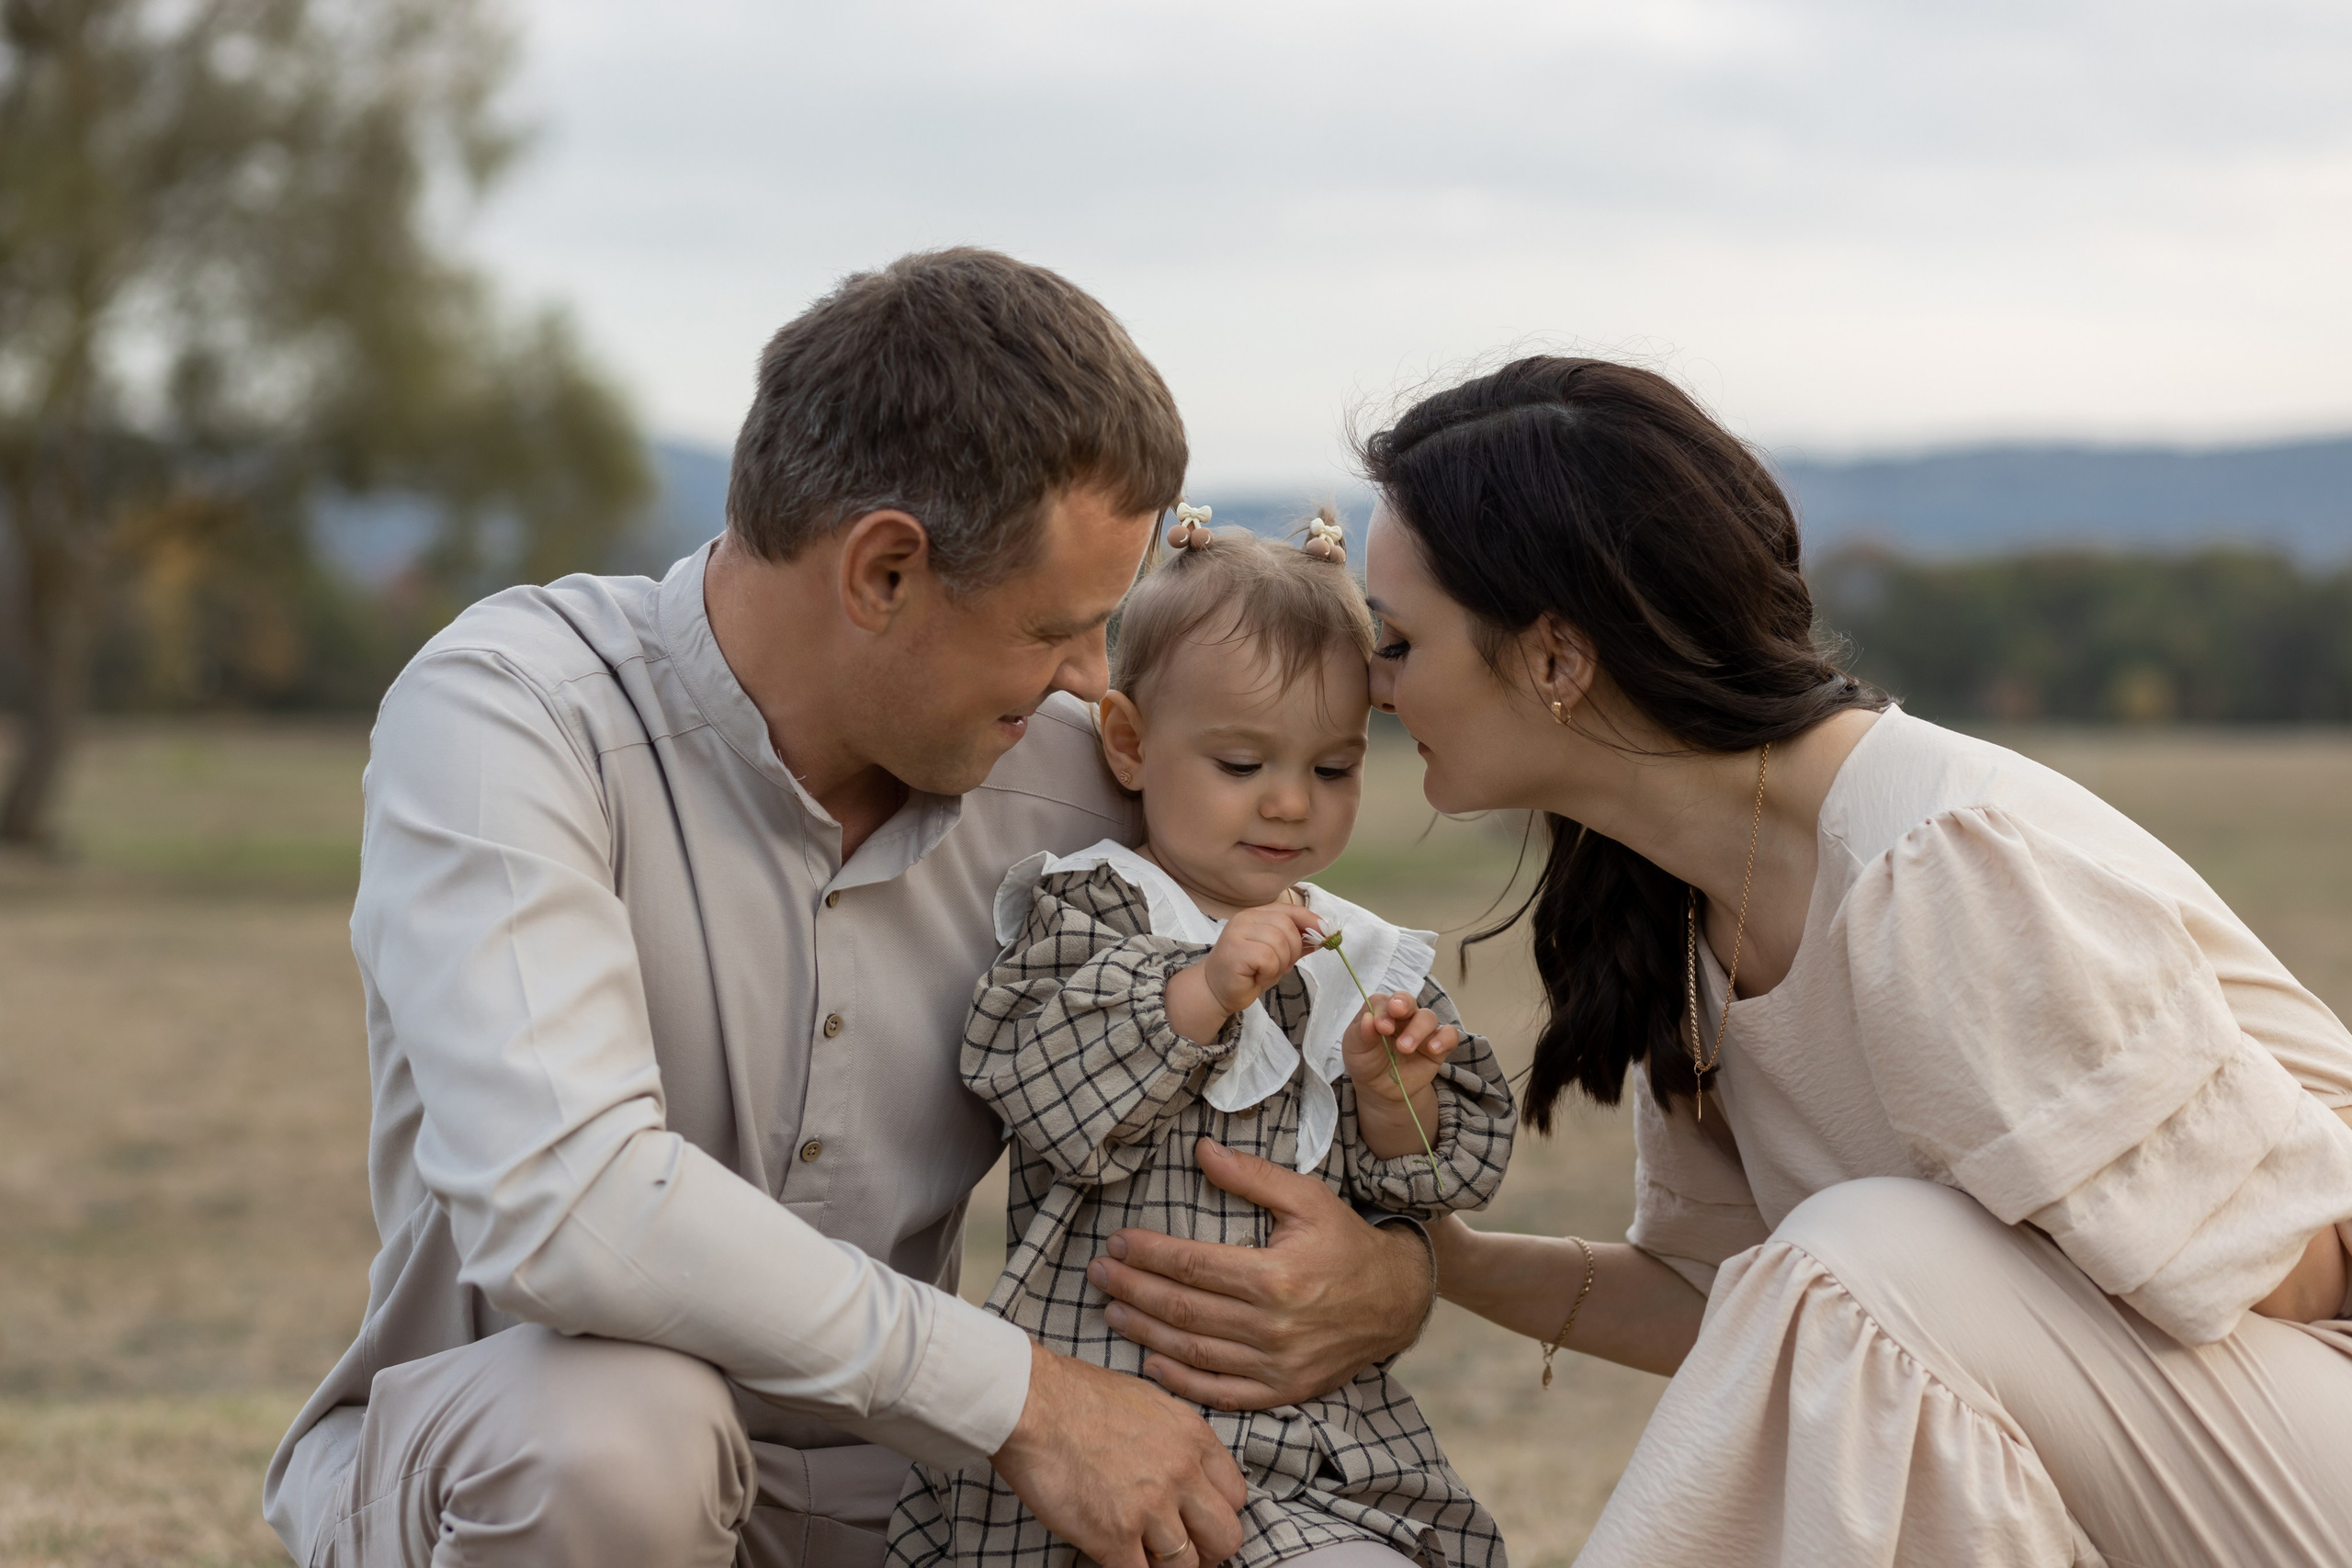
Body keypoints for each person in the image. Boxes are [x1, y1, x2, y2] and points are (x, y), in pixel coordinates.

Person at [260, 250, 1440, 1568]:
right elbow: (569, 1207)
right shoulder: (509, 715)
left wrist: (1395, 1278)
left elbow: (1301, 1016)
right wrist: (1029, 1398)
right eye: (1058, 625)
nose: (1086, 677)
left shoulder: (1074, 768)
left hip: (920, 1493)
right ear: (884, 570)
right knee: (615, 1437)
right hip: (530, 1456)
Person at [1353, 356, 2352, 1566]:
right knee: (1860, 1260)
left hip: (2310, 1420)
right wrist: (1434, 1260)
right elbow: (1729, 1300)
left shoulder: (1937, 868)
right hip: (2175, 1437)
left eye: (1398, 640)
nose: (1374, 685)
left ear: (1558, 660)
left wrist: (1999, 1269)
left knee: (1875, 1247)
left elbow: (2300, 1270)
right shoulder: (1688, 909)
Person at [889, 518, 1516, 1568]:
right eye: (1240, 762)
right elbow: (1037, 1084)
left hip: (1298, 1433)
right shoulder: (1094, 908)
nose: (1288, 803)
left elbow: (1412, 1190)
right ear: (1128, 743)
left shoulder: (1355, 953)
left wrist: (1387, 1095)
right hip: (1101, 1409)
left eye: (1332, 769)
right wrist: (1204, 987)